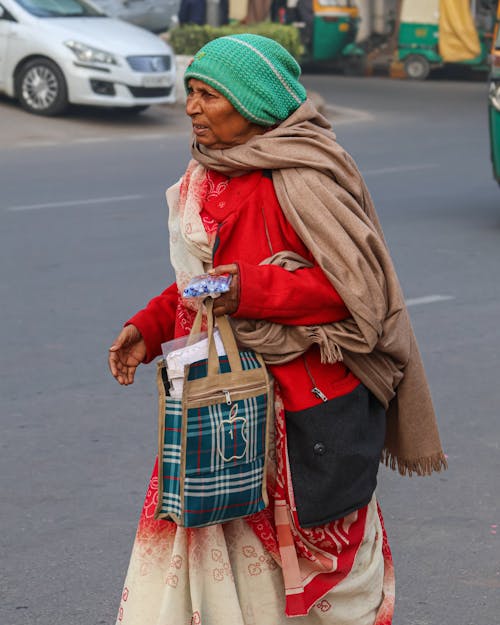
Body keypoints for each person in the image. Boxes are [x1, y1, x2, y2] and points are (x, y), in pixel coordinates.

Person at [108, 34, 447, 625]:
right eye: (190, 91)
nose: (191, 107)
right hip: (223, 409)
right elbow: (204, 282)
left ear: (254, 103)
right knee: (222, 564)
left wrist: (255, 291)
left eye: (208, 95)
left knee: (324, 576)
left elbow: (357, 292)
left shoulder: (305, 177)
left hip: (301, 416)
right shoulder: (209, 174)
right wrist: (151, 325)